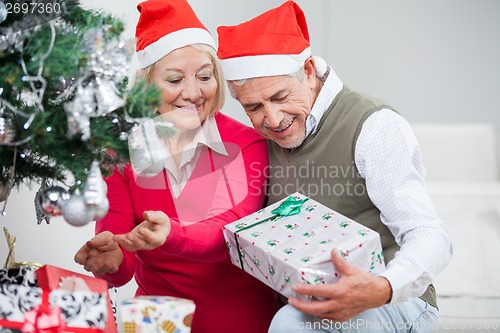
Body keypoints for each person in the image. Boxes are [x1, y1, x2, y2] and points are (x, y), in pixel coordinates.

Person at [216, 1, 453, 332]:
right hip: (306, 301)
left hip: (392, 300)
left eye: (281, 97)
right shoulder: (257, 143)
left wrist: (381, 288)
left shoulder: (373, 125)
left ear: (309, 71)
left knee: (290, 323)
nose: (272, 119)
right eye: (253, 107)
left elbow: (430, 235)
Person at [73, 1, 278, 332]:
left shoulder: (245, 144)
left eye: (204, 76)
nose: (193, 93)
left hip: (240, 321)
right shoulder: (120, 153)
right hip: (158, 323)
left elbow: (229, 232)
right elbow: (121, 262)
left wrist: (170, 234)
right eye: (174, 79)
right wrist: (110, 260)